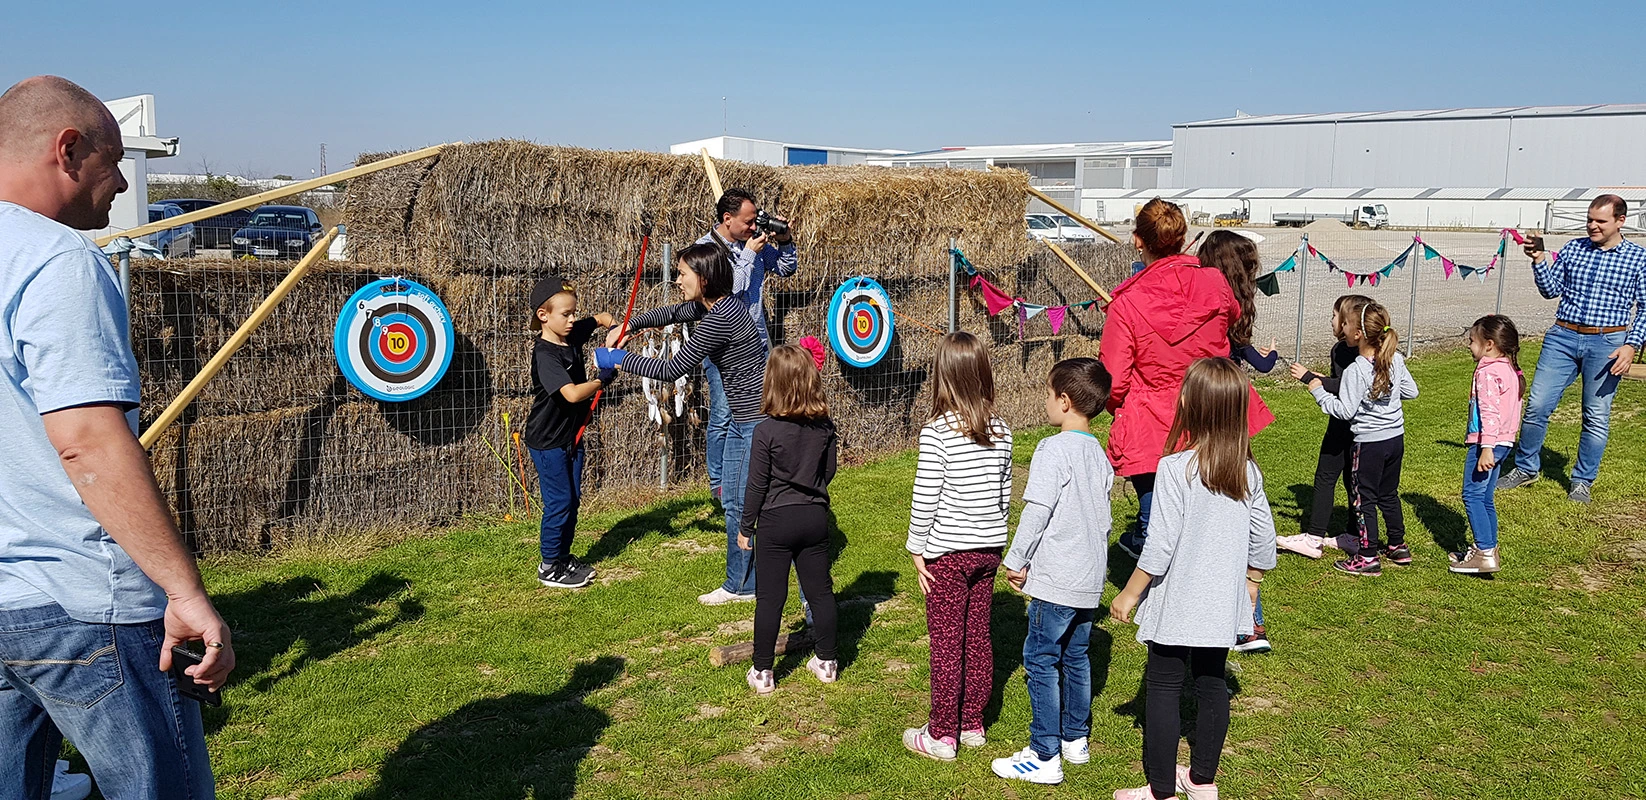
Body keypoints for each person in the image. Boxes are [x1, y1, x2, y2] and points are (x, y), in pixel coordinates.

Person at [0, 75, 234, 798]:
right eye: (114, 160)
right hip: (84, 602)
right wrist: (184, 591)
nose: (125, 181)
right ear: (68, 149)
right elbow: (87, 442)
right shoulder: (56, 259)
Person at [1109, 358, 1278, 800]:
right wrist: (1252, 582)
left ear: (1189, 403)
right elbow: (1264, 538)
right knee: (1211, 681)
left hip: (1179, 602)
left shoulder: (1174, 469)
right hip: (1221, 602)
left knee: (1164, 685)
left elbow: (1160, 544)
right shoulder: (1247, 471)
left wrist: (1129, 593)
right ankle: (1202, 782)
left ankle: (1161, 790)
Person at [1100, 199, 1272, 560]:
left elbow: (1113, 379)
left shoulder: (1127, 303)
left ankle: (1158, 582)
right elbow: (1231, 315)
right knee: (1219, 502)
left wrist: (1123, 405)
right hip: (1211, 405)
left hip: (1154, 416)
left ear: (1138, 240)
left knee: (1156, 516)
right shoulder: (1215, 282)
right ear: (1182, 237)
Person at [602, 242, 770, 604]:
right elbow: (671, 313)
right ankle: (747, 581)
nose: (677, 281)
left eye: (682, 274)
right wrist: (629, 326)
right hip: (744, 418)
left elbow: (671, 369)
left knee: (741, 504)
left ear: (704, 279)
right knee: (736, 502)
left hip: (754, 421)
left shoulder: (721, 318)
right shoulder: (715, 305)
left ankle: (745, 584)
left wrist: (617, 359)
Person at [991, 358, 1113, 786]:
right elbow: (1104, 519)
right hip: (1089, 578)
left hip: (1058, 579)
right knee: (1076, 656)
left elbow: (1037, 510)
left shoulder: (1052, 450)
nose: (1044, 401)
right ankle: (1074, 738)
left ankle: (1044, 752)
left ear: (1063, 401)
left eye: (1047, 394)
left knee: (1041, 659)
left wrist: (1016, 558)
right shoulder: (1099, 454)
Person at [902, 332, 1013, 762]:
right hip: (988, 551)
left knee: (947, 642)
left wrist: (917, 548)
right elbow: (1004, 494)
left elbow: (925, 496)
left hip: (947, 555)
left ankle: (943, 733)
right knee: (978, 637)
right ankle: (972, 723)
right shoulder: (1002, 431)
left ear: (942, 377)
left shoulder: (937, 433)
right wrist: (996, 536)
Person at [1499, 195, 1646, 504]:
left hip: (1608, 343)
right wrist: (1539, 259)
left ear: (1620, 221)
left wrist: (1631, 345)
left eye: (1601, 221)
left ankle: (1582, 481)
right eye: (1590, 219)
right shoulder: (1573, 249)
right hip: (1562, 337)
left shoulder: (1638, 258)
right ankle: (1525, 468)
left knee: (1595, 415)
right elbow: (1550, 290)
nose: (1592, 226)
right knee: (1537, 405)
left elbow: (1645, 308)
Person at [738, 345, 840, 694]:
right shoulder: (824, 427)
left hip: (775, 521)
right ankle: (827, 662)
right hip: (813, 516)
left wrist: (746, 527)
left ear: (772, 384)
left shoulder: (766, 431)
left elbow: (756, 484)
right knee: (820, 592)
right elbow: (829, 471)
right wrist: (810, 490)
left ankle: (763, 672)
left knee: (770, 598)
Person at [1198, 229, 1281, 654]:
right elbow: (1259, 362)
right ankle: (1248, 620)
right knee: (1238, 495)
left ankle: (1245, 620)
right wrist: (1271, 354)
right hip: (1231, 410)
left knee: (1225, 501)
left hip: (1208, 408)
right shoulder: (1231, 311)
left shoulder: (1209, 307)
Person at [1293, 299, 1419, 577]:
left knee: (1364, 500)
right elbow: (1411, 391)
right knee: (1388, 494)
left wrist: (1318, 390)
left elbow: (1344, 411)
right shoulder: (1395, 359)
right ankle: (1398, 545)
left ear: (1358, 333)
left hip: (1369, 443)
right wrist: (1386, 393)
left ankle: (1367, 556)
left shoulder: (1356, 369)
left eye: (1347, 323)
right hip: (1395, 439)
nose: (1343, 327)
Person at [698, 189, 798, 503]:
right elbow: (728, 292)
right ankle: (719, 485)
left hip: (757, 343)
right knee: (724, 415)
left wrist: (785, 240)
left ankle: (753, 476)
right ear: (727, 219)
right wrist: (750, 255)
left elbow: (786, 268)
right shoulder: (705, 250)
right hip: (724, 348)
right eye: (748, 222)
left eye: (756, 221)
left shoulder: (751, 243)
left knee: (761, 412)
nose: (754, 227)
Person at [525, 276, 617, 589]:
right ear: (543, 315)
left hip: (570, 437)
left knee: (573, 500)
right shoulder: (546, 355)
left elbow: (602, 318)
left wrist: (616, 329)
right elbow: (572, 394)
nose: (573, 319)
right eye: (566, 314)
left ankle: (563, 557)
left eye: (574, 312)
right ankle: (549, 566)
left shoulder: (571, 334)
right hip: (548, 441)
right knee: (559, 502)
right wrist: (602, 380)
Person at [1278, 294, 1373, 560]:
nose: (1331, 321)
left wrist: (1311, 378)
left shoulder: (1345, 351)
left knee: (1326, 477)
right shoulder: (1371, 350)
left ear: (1348, 323)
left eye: (1334, 316)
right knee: (1353, 481)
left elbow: (1346, 386)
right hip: (1366, 428)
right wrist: (1326, 380)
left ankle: (1314, 539)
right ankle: (1354, 535)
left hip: (1345, 425)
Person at [1452, 315, 1525, 575]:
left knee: (1472, 495)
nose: (1469, 346)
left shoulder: (1488, 372)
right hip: (1504, 443)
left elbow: (1489, 411)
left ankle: (1484, 553)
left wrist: (1486, 448)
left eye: (1472, 341)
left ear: (1490, 345)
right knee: (1485, 497)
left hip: (1488, 444)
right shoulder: (1509, 369)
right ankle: (1488, 548)